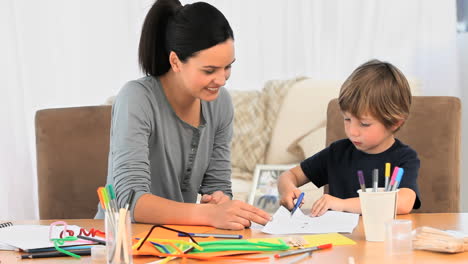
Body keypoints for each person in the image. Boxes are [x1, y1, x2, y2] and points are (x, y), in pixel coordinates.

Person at [95, 0, 271, 230]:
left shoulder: (221, 103)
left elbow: (217, 185)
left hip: (179, 239)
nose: (221, 79)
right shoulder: (136, 99)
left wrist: (219, 201)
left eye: (228, 66)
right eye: (209, 70)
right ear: (175, 62)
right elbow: (129, 200)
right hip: (124, 240)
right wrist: (207, 214)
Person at [278, 59, 421, 217]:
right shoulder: (337, 153)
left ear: (394, 123)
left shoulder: (404, 158)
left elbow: (403, 203)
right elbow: (289, 176)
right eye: (347, 119)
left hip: (383, 239)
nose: (352, 131)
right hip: (341, 239)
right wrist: (287, 189)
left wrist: (342, 204)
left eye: (364, 124)